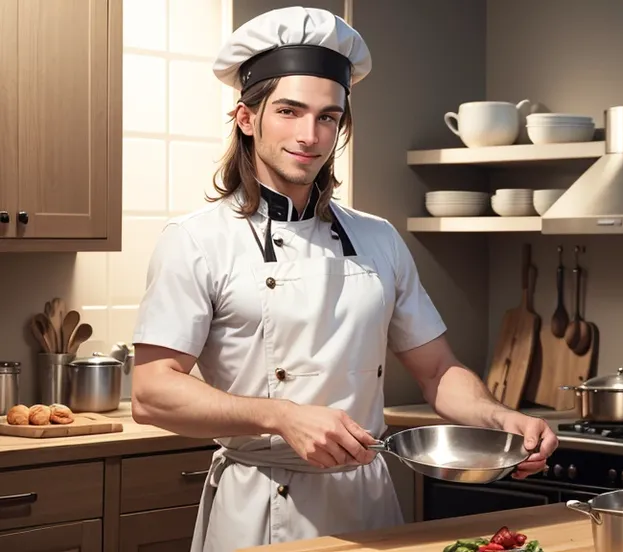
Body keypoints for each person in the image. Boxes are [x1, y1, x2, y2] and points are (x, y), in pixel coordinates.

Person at [131, 6, 559, 552]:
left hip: (371, 504)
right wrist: (282, 417)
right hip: (260, 506)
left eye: (328, 117)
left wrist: (500, 419)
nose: (309, 135)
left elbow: (438, 371)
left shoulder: (378, 239)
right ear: (245, 117)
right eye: (289, 111)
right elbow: (151, 390)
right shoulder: (194, 240)